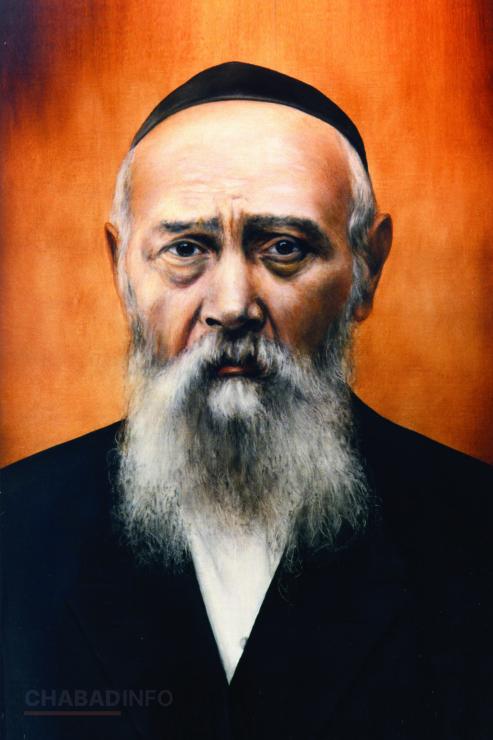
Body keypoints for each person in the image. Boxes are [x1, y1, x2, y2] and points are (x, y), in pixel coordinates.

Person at [1, 62, 491, 740]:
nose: (231, 305)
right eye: (185, 248)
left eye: (284, 247)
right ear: (120, 269)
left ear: (367, 267)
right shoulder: (15, 532)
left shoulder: (475, 532)